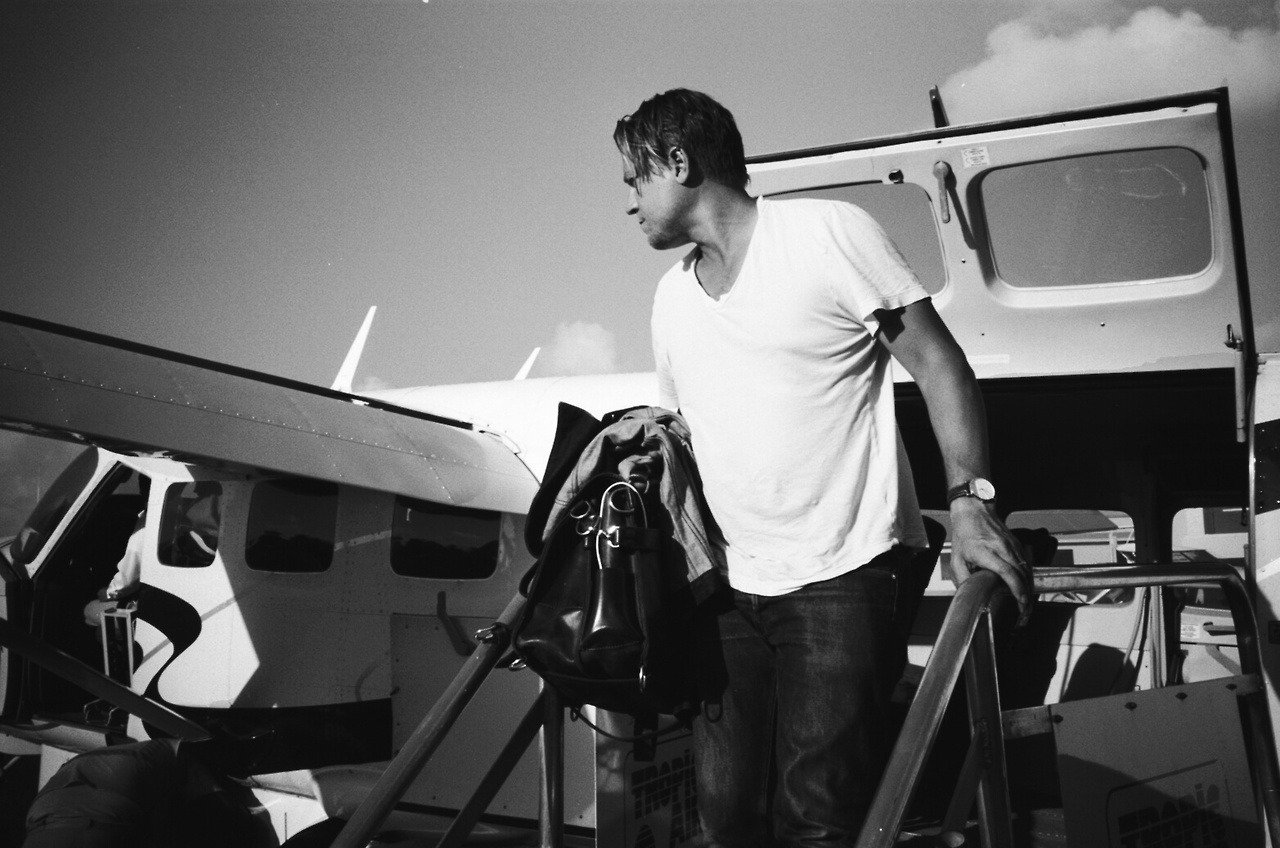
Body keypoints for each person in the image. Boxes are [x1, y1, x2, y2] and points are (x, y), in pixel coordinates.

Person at [613, 89, 1032, 847]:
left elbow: (939, 364)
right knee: (728, 819)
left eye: (633, 180)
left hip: (844, 573)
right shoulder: (669, 299)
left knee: (818, 822)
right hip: (728, 589)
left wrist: (970, 500)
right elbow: (687, 430)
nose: (629, 202)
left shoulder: (827, 234)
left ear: (679, 161)